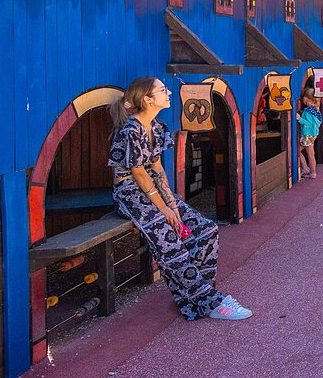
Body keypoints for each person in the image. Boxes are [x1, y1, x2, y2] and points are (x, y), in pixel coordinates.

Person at [107, 77, 251, 320]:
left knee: (206, 230)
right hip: (131, 194)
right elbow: (140, 174)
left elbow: (157, 168)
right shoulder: (131, 130)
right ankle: (211, 302)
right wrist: (165, 210)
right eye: (163, 90)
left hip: (154, 192)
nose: (169, 93)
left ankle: (192, 299)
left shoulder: (156, 126)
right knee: (171, 245)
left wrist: (173, 204)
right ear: (147, 99)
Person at [297, 88, 322, 179]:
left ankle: (305, 168)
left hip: (307, 135)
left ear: (307, 98)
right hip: (313, 135)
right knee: (311, 154)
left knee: (296, 151)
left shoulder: (307, 111)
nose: (303, 101)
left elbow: (308, 123)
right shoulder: (316, 110)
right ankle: (313, 172)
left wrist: (299, 119)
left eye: (304, 99)